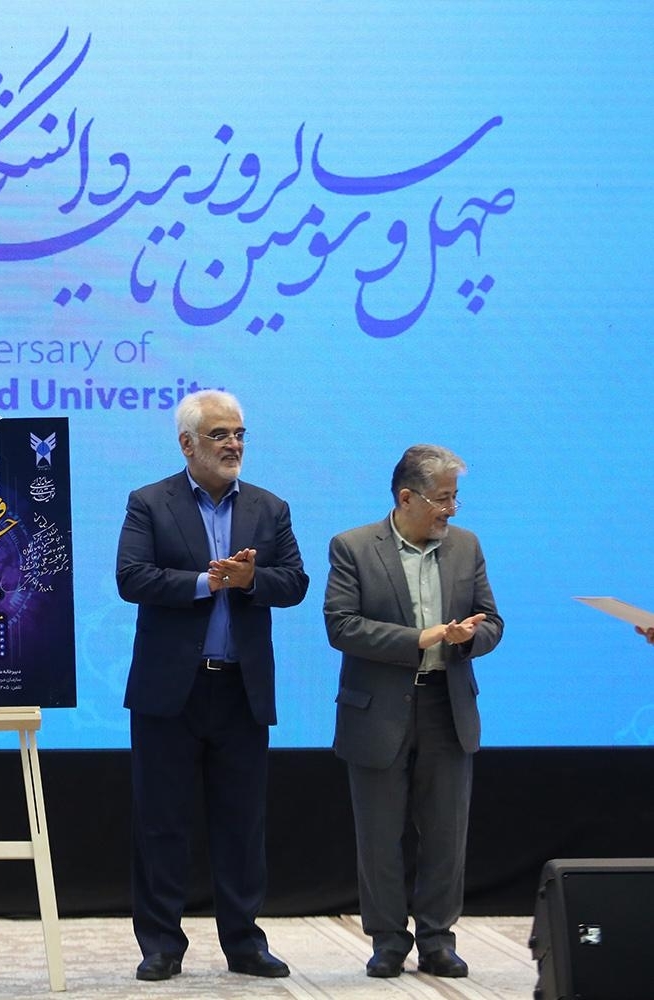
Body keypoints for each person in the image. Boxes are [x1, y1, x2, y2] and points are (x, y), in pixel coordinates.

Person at [115, 389, 308, 982]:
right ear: (187, 443)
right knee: (161, 823)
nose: (233, 444)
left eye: (239, 433)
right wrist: (207, 582)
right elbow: (132, 578)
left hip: (240, 691)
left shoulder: (270, 508)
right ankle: (161, 945)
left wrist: (250, 581)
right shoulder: (150, 502)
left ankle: (244, 943)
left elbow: (295, 582)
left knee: (241, 824)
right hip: (170, 692)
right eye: (220, 434)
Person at [324, 444, 503, 979]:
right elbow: (342, 626)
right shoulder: (354, 547)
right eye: (442, 498)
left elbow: (492, 621)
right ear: (407, 498)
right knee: (379, 836)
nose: (451, 509)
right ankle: (387, 940)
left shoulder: (466, 546)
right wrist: (420, 638)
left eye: (454, 497)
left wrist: (469, 639)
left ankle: (437, 939)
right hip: (376, 711)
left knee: (446, 834)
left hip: (447, 705)